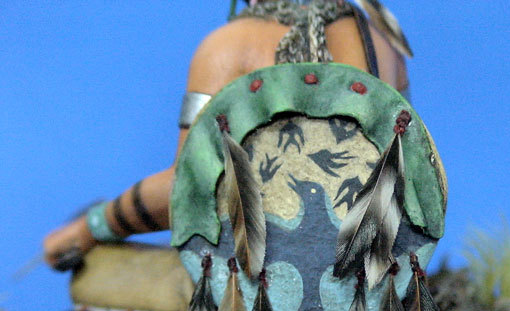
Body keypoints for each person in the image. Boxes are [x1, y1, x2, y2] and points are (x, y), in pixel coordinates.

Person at [43, 0, 410, 270]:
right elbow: (409, 179)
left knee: (102, 275)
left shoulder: (228, 47)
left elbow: (186, 191)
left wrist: (93, 227)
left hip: (257, 283)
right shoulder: (384, 43)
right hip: (371, 279)